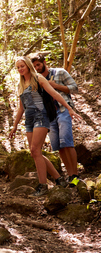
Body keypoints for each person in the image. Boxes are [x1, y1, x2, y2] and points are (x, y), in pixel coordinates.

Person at [8, 56, 82, 196]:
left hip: (41, 117)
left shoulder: (39, 79)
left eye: (22, 66)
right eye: (18, 67)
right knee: (35, 152)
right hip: (29, 120)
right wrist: (14, 125)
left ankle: (43, 186)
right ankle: (58, 179)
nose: (20, 69)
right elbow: (21, 108)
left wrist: (69, 108)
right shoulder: (21, 84)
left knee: (36, 149)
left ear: (28, 65)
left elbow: (54, 94)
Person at [30, 53, 80, 187]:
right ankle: (70, 176)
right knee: (58, 146)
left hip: (63, 110)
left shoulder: (59, 72)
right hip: (49, 115)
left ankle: (75, 175)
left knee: (67, 142)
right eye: (34, 66)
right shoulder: (36, 79)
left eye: (38, 65)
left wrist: (55, 85)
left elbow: (75, 88)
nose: (37, 68)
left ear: (44, 62)